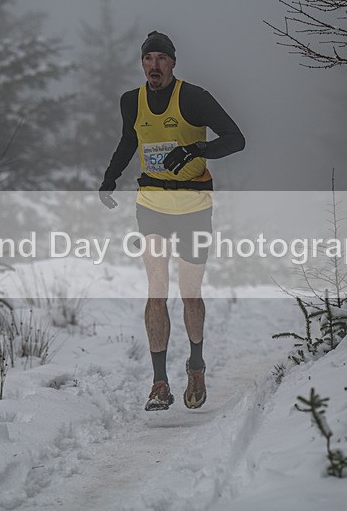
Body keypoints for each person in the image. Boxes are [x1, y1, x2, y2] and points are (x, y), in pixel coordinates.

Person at [99, 31, 245, 411]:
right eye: (149, 59)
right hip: (151, 205)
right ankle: (159, 382)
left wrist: (196, 148)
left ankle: (196, 366)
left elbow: (236, 139)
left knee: (189, 291)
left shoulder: (194, 98)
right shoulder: (131, 101)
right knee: (157, 289)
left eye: (162, 58)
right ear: (142, 64)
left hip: (194, 206)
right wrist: (110, 178)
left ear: (173, 63)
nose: (154, 65)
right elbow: (129, 140)